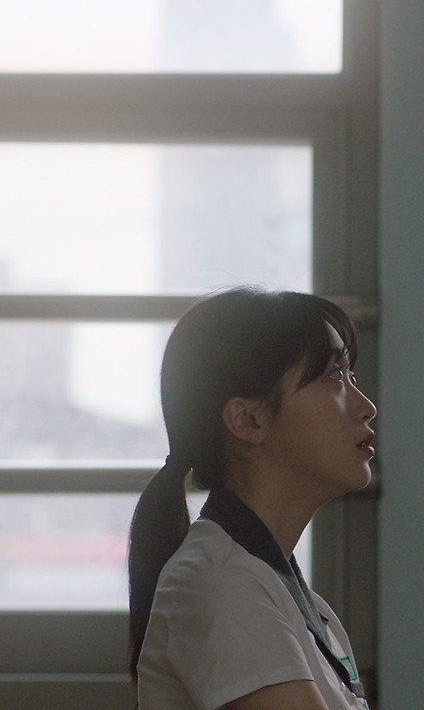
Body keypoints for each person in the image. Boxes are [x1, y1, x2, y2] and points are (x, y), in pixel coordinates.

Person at [127, 287, 376, 710]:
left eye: (352, 378)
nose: (366, 406)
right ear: (248, 419)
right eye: (334, 377)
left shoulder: (295, 601)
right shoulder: (218, 583)